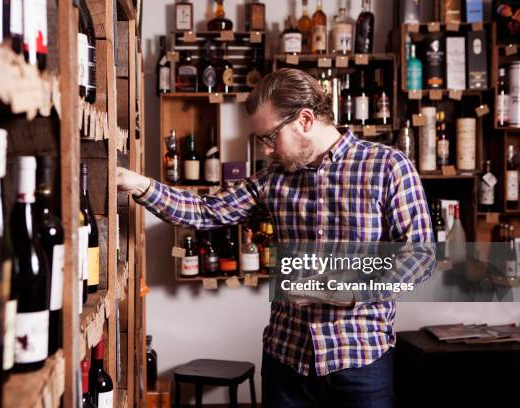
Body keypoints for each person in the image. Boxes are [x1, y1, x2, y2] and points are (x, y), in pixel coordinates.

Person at [117, 68, 434, 407]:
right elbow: (207, 212)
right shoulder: (274, 179)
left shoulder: (388, 166)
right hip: (286, 363)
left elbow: (420, 257)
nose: (266, 151)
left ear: (306, 120)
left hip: (360, 364)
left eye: (270, 138)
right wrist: (141, 185)